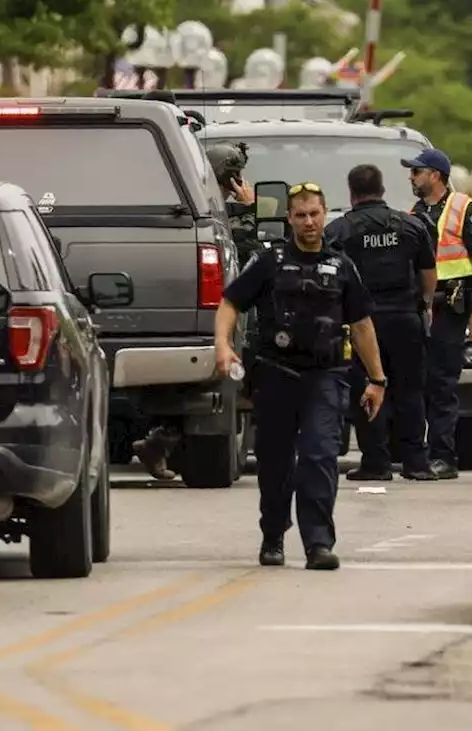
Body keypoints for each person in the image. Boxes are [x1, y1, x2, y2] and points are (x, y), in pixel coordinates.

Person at [213, 182, 387, 570]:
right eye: (301, 215)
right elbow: (230, 302)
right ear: (289, 219)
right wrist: (223, 346)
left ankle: (319, 544)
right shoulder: (268, 262)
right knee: (275, 463)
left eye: (315, 214)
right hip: (276, 375)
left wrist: (377, 380)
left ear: (326, 215)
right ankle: (273, 534)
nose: (309, 222)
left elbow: (361, 325)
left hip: (325, 376)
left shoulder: (342, 266)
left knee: (319, 455)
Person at [132, 141, 259, 480]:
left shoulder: (190, 203)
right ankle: (160, 441)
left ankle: (159, 443)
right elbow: (246, 250)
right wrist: (249, 210)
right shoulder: (213, 213)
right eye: (237, 177)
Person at [324, 164, 436, 481]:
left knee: (369, 387)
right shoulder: (412, 225)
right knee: (411, 390)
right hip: (405, 317)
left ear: (352, 192)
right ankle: (416, 463)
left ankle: (376, 462)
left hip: (363, 323)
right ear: (382, 190)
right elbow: (429, 274)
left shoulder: (340, 231)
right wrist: (424, 305)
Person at [402, 149, 472, 480]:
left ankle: (444, 457)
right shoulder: (415, 212)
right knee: (419, 381)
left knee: (443, 383)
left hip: (453, 306)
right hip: (423, 306)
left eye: (417, 172)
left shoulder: (465, 209)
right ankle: (421, 454)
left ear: (435, 175)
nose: (411, 177)